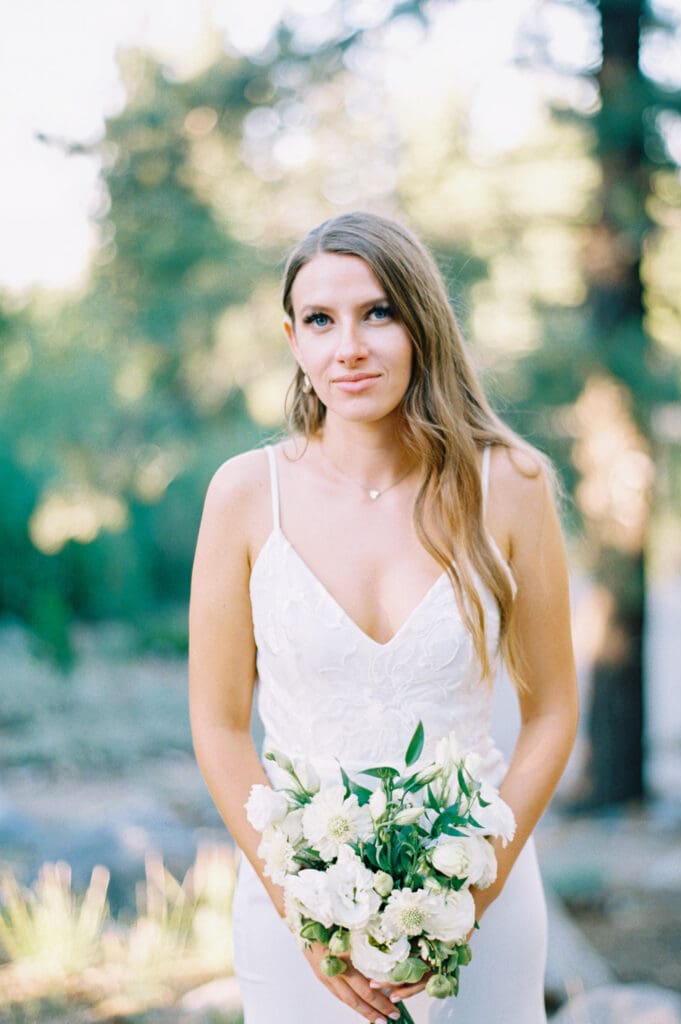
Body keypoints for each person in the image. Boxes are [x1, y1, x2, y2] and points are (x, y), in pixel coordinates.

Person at [188, 211, 578, 1023]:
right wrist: (310, 917)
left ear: (421, 323)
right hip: (297, 913)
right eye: (321, 321)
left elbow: (550, 715)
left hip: (480, 906)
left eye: (378, 313)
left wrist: (470, 894)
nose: (350, 347)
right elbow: (220, 726)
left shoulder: (509, 484)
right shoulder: (243, 496)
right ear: (292, 339)